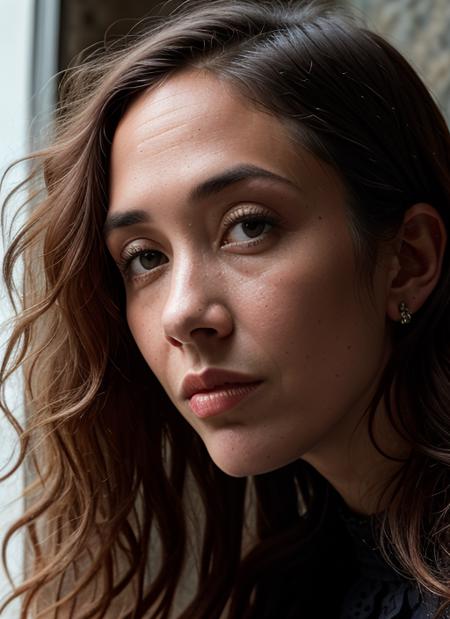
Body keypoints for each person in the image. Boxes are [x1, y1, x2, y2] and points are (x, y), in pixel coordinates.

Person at [1, 0, 449, 617]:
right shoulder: (298, 587)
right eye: (144, 258)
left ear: (409, 260)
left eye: (248, 226)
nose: (181, 314)